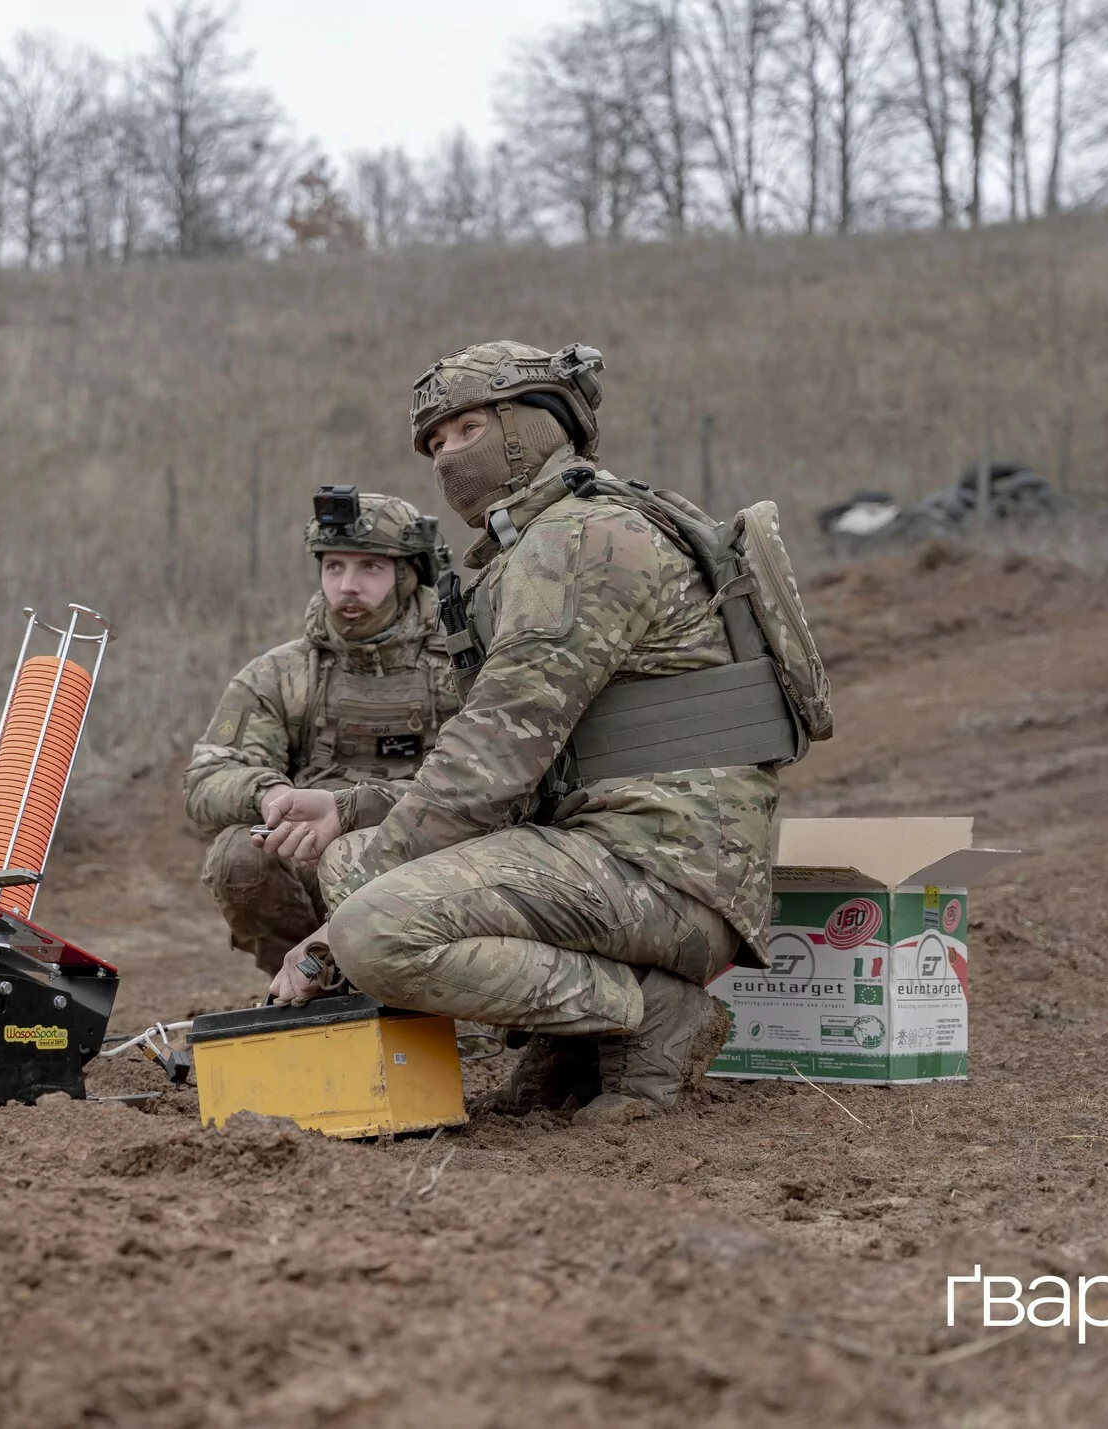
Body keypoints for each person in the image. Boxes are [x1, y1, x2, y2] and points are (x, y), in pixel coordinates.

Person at [260, 342, 792, 1125]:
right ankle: (578, 1038)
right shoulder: (542, 542)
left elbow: (495, 757)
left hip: (666, 868)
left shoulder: (577, 540)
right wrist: (356, 809)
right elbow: (530, 759)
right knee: (350, 864)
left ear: (537, 423)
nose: (447, 459)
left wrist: (327, 944)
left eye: (467, 429)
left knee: (372, 928)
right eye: (434, 444)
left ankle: (649, 1011)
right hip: (618, 853)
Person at [183, 489, 460, 975]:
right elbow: (208, 776)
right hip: (315, 855)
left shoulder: (462, 666)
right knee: (239, 855)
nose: (348, 586)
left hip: (432, 855)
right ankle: (310, 981)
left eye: (369, 568)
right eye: (334, 567)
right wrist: (269, 793)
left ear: (408, 574)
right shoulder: (283, 673)